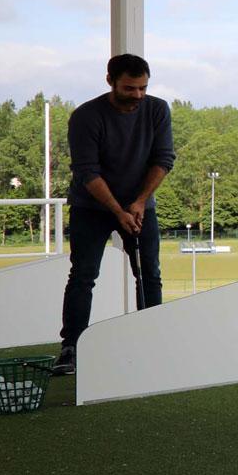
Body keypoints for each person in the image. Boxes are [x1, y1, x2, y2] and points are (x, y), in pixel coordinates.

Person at [54, 54, 174, 374]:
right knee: (83, 275)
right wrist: (118, 210)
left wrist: (138, 203)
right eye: (129, 88)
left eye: (142, 88)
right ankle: (72, 347)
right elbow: (87, 172)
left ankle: (152, 338)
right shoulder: (86, 117)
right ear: (110, 82)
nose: (137, 95)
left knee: (149, 273)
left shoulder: (158, 110)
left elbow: (163, 159)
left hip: (139, 205)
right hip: (91, 206)